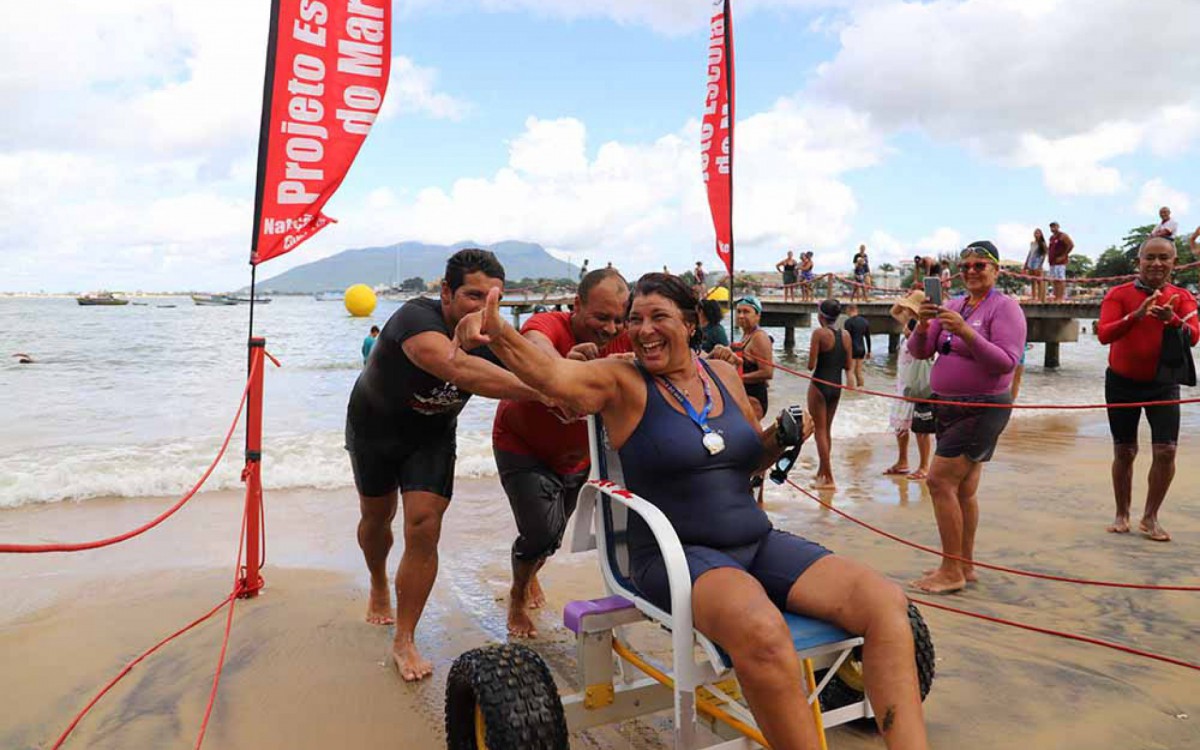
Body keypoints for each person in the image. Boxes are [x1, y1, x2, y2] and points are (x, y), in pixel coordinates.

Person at [457, 273, 930, 750]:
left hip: (756, 541)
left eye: (658, 317)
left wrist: (782, 437)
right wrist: (500, 333)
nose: (643, 330)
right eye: (634, 319)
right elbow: (553, 377)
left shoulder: (722, 374)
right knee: (761, 630)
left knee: (884, 603)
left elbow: (750, 461)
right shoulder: (620, 380)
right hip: (676, 555)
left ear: (690, 323)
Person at [345, 248, 545, 681]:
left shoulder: (493, 332)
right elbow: (459, 369)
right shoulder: (414, 320)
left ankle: (405, 638)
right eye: (474, 296)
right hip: (373, 432)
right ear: (446, 292)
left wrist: (576, 372)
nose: (484, 308)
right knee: (376, 519)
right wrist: (545, 392)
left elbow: (539, 361)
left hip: (431, 437)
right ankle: (378, 581)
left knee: (423, 525)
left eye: (494, 298)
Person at [493, 269, 633, 637]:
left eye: (619, 318)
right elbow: (537, 348)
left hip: (578, 455)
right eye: (601, 317)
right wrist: (563, 364)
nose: (610, 328)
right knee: (539, 533)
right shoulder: (548, 324)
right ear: (576, 305)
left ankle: (531, 572)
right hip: (521, 442)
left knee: (553, 537)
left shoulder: (625, 339)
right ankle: (517, 595)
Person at [907, 241, 1025, 594]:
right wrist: (924, 323)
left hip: (981, 407)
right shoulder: (955, 304)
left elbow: (1006, 361)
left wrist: (964, 331)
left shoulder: (1005, 309)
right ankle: (964, 564)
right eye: (967, 266)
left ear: (996, 270)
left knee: (939, 481)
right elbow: (920, 351)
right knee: (963, 489)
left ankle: (951, 570)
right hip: (948, 404)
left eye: (980, 266)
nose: (972, 271)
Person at [1097, 237, 1199, 543]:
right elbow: (1103, 334)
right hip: (1121, 382)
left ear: (1174, 263)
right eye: (1150, 258)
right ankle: (1121, 514)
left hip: (1163, 383)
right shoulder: (1119, 294)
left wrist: (1172, 320)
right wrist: (1135, 316)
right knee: (1125, 451)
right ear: (1138, 262)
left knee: (1166, 451)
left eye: (1163, 258)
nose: (1156, 263)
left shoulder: (1181, 297)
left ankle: (1150, 517)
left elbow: (1194, 336)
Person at [885, 292, 934, 481]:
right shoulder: (911, 323)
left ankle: (924, 466)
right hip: (904, 382)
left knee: (922, 428)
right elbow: (894, 311)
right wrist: (905, 299)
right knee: (901, 426)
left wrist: (911, 304)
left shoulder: (922, 326)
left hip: (917, 383)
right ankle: (902, 461)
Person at [808, 299, 853, 489]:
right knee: (826, 430)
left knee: (819, 431)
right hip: (836, 385)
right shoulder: (846, 335)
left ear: (820, 316)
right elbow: (848, 365)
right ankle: (822, 472)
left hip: (819, 384)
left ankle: (828, 477)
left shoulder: (819, 333)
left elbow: (811, 365)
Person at [844, 303, 872, 389]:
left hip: (852, 348)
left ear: (849, 310)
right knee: (859, 372)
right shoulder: (865, 321)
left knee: (849, 371)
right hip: (862, 348)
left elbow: (847, 338)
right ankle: (861, 390)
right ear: (857, 310)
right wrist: (869, 351)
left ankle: (850, 392)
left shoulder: (848, 322)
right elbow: (868, 337)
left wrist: (843, 350)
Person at [1047, 221, 1073, 302]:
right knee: (1054, 279)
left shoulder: (1063, 236)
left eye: (1054, 226)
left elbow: (1071, 245)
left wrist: (1063, 256)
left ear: (1058, 226)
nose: (1053, 228)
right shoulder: (1051, 237)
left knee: (1060, 279)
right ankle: (1056, 296)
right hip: (1052, 261)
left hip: (1060, 261)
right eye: (1051, 227)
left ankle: (1060, 297)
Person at [1023, 228, 1048, 303]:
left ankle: (1040, 298)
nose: (1037, 234)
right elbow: (1030, 253)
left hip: (1037, 263)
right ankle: (1034, 296)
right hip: (1031, 263)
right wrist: (1026, 264)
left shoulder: (1042, 244)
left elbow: (1044, 255)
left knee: (1039, 281)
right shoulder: (1032, 243)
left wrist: (1040, 265)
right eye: (1035, 233)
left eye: (1038, 233)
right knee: (1032, 281)